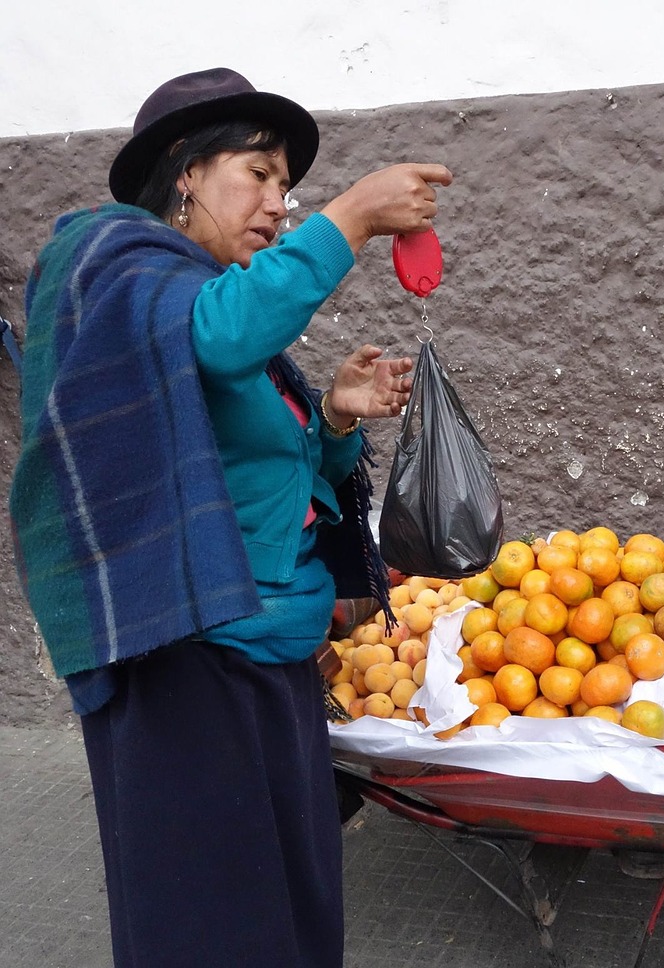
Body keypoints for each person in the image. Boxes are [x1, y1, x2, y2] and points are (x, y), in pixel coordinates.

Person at [9, 67, 452, 967]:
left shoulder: (201, 301)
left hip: (269, 647)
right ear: (183, 173)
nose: (278, 203)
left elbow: (269, 471)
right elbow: (221, 336)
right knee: (212, 918)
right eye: (259, 175)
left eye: (288, 189)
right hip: (186, 660)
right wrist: (353, 217)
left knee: (287, 894)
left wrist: (330, 418)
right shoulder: (114, 267)